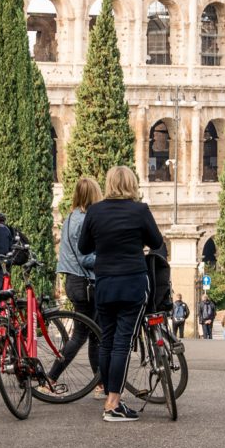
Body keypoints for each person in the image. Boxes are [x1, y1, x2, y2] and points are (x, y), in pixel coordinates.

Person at [78, 166, 164, 422]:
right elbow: (157, 241)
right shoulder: (140, 210)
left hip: (104, 283)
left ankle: (110, 396)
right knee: (122, 343)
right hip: (133, 282)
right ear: (132, 184)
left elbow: (84, 247)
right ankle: (113, 402)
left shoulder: (95, 210)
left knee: (107, 340)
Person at [51, 177, 103, 399]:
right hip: (85, 282)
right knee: (83, 335)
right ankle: (51, 378)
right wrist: (107, 257)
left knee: (93, 334)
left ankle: (100, 384)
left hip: (75, 281)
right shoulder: (83, 221)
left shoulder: (71, 217)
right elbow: (85, 258)